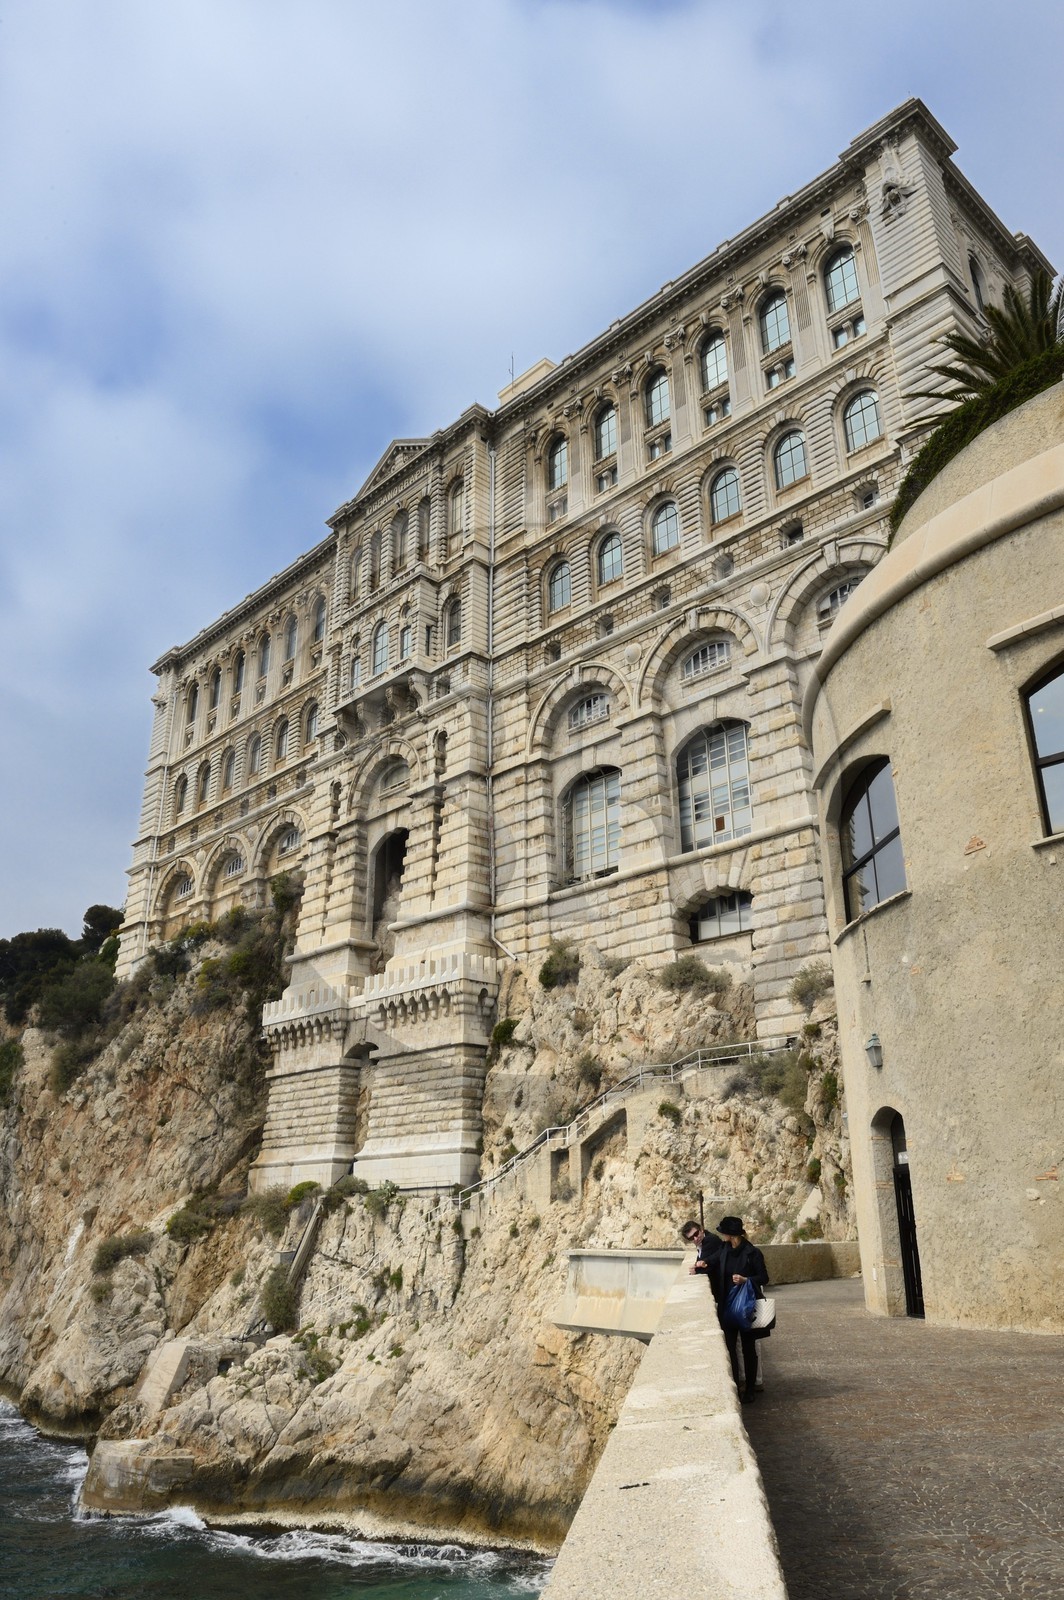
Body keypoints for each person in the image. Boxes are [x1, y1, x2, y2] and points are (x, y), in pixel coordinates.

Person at [715, 1215, 769, 1405]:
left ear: (731, 1234)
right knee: (730, 1349)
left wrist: (746, 1279)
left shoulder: (752, 1252)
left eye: (723, 1232)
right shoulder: (724, 1249)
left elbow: (764, 1277)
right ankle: (736, 1387)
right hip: (727, 1307)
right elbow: (712, 1261)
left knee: (748, 1348)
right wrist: (701, 1264)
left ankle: (751, 1389)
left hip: (746, 1307)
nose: (721, 1235)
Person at [680, 1218, 723, 1288]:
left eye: (696, 1234)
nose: (695, 1239)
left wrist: (696, 1270)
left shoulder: (709, 1240)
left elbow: (706, 1265)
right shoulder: (702, 1241)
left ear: (701, 1229)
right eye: (691, 1238)